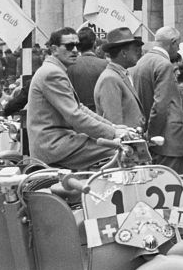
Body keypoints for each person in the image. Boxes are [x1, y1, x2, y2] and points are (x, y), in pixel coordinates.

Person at [27, 27, 124, 169]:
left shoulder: (55, 69)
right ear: (54, 49)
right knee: (121, 151)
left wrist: (113, 127)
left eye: (77, 45)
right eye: (69, 46)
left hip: (56, 141)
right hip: (54, 145)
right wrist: (114, 133)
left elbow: (79, 108)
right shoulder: (52, 73)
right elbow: (75, 115)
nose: (74, 50)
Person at [132, 26, 183, 172]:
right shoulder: (164, 64)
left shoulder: (141, 62)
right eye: (178, 44)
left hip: (153, 136)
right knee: (172, 183)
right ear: (173, 42)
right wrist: (152, 136)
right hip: (166, 139)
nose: (178, 49)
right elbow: (160, 105)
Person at [93, 27, 145, 130]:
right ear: (124, 53)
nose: (139, 53)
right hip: (125, 143)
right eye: (135, 50)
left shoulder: (119, 75)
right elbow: (114, 123)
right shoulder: (110, 79)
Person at [67, 25, 108, 109]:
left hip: (77, 113)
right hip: (100, 115)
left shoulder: (69, 66)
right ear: (94, 44)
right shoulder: (106, 65)